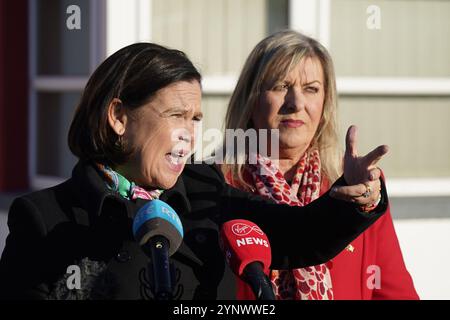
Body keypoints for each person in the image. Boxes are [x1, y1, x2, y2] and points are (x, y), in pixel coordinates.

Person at [0, 42, 388, 300]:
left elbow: (298, 234)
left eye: (196, 118)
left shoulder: (205, 188)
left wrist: (352, 195)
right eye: (176, 115)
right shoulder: (45, 218)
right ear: (119, 116)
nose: (188, 133)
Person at [221, 30, 418, 300]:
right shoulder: (218, 183)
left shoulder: (359, 185)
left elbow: (394, 292)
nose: (296, 103)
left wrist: (364, 203)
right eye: (280, 86)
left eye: (311, 89)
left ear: (325, 103)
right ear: (251, 98)